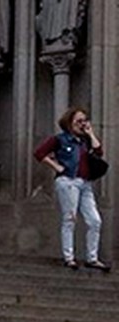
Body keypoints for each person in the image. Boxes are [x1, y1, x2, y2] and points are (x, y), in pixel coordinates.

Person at [34, 107, 111, 271]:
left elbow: (99, 151)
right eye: (78, 121)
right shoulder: (60, 139)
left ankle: (92, 258)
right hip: (68, 181)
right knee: (70, 218)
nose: (81, 124)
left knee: (95, 220)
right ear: (69, 122)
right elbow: (40, 153)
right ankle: (69, 257)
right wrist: (56, 166)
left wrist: (90, 133)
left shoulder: (84, 141)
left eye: (84, 120)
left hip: (85, 182)